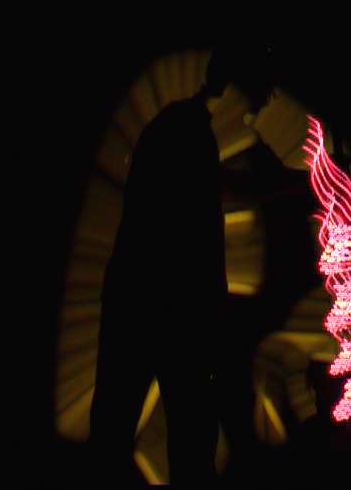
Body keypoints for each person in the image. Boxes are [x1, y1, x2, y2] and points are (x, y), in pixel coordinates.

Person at [87, 45, 275, 486]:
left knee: (121, 427)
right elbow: (209, 206)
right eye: (254, 104)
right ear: (231, 89)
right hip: (168, 308)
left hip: (143, 300)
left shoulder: (177, 127)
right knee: (185, 438)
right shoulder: (188, 133)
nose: (253, 118)